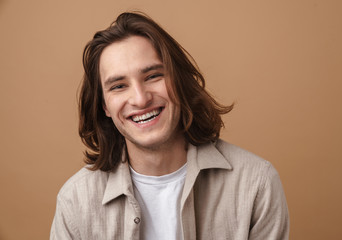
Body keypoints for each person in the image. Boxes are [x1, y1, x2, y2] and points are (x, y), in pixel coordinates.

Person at [50, 12, 289, 240]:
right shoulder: (75, 202)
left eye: (153, 76)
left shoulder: (257, 184)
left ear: (179, 81)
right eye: (118, 86)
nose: (141, 99)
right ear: (104, 106)